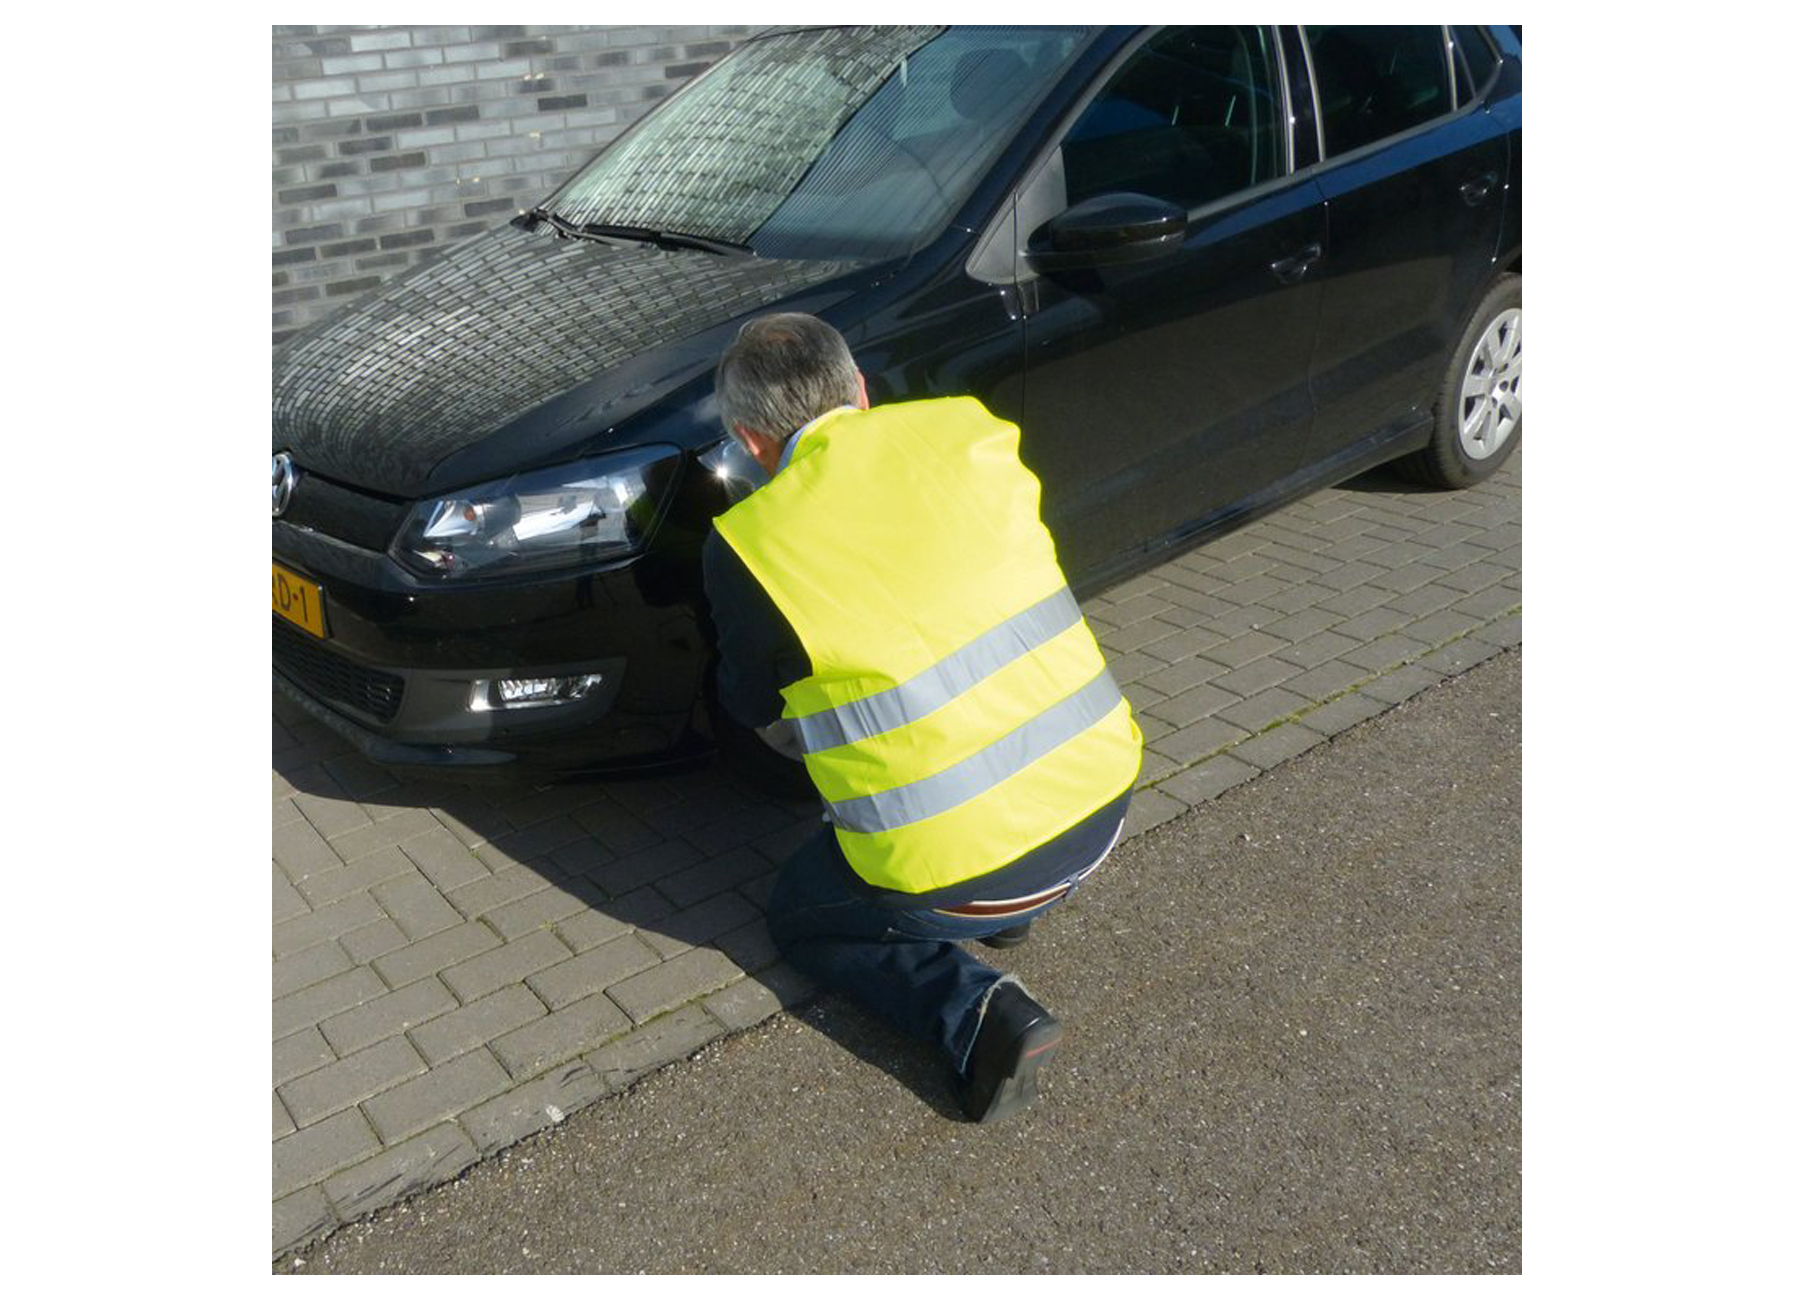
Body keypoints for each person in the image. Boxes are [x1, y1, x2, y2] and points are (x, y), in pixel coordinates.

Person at [702, 312, 1143, 1123]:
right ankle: (1018, 914)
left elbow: (748, 703)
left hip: (962, 876)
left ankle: (980, 1019)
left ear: (750, 442)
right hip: (1105, 800)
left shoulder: (749, 542)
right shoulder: (971, 435)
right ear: (860, 391)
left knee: (801, 920)